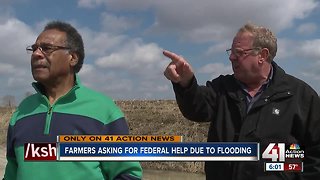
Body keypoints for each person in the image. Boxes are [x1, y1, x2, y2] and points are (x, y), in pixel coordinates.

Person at [163, 23, 320, 180]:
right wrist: (186, 83)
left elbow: (316, 155)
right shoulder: (222, 88)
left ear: (262, 55)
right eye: (231, 52)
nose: (231, 57)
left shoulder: (300, 95)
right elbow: (197, 109)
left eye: (238, 52)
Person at [4, 21, 142, 180]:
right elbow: (12, 173)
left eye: (47, 48)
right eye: (34, 48)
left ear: (73, 58)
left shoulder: (104, 111)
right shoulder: (22, 111)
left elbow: (127, 174)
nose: (36, 54)